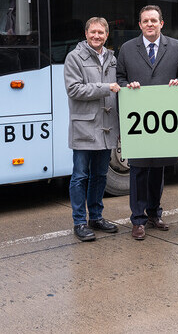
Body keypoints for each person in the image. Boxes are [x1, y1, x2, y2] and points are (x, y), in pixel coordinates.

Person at [116, 5, 178, 241]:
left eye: (153, 20)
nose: (150, 24)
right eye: (145, 21)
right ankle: (137, 220)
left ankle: (154, 214)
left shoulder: (175, 46)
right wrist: (128, 87)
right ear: (140, 25)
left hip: (163, 120)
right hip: (138, 120)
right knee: (138, 170)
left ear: (161, 23)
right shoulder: (127, 49)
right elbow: (119, 78)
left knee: (158, 169)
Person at [64, 17, 122, 242]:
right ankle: (79, 222)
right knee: (80, 176)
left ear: (107, 35)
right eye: (93, 32)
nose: (97, 36)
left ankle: (95, 217)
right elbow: (74, 89)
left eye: (101, 33)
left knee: (100, 175)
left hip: (107, 127)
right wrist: (106, 88)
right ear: (86, 33)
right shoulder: (74, 58)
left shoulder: (112, 58)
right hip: (85, 127)